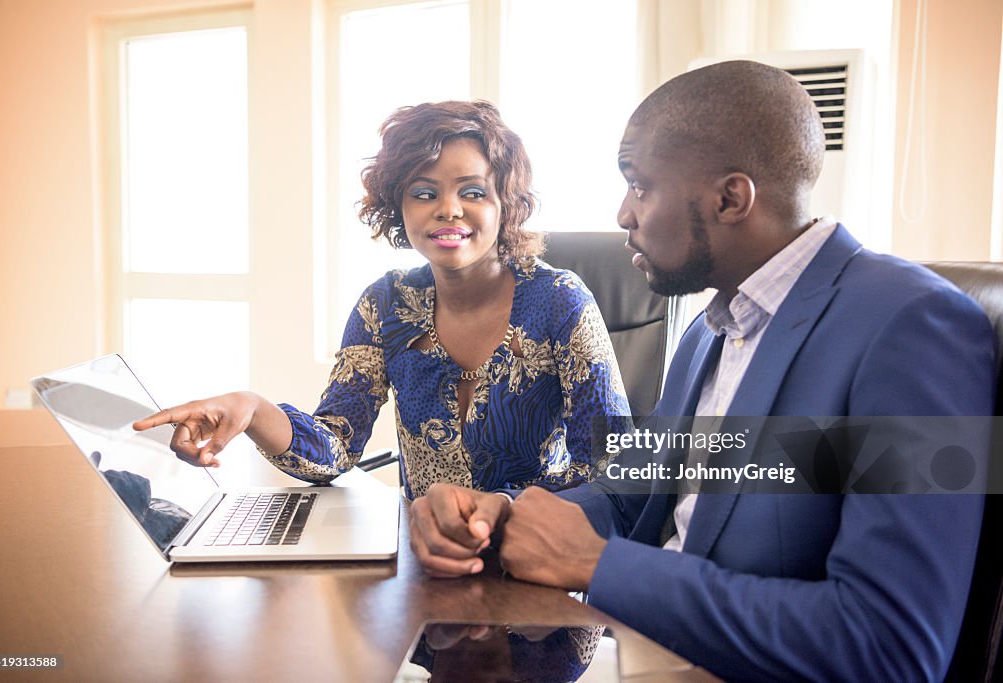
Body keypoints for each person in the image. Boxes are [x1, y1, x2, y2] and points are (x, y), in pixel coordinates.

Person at [409, 62, 996, 681]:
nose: (622, 215)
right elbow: (630, 492)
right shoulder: (708, 330)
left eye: (638, 186)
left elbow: (891, 650)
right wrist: (498, 518)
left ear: (730, 198)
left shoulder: (916, 325)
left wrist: (600, 566)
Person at [134, 100, 630, 503]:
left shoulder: (560, 300)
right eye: (423, 192)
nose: (449, 209)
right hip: (424, 570)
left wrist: (502, 507)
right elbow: (333, 448)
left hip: (538, 566)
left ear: (506, 204)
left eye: (473, 191)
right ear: (398, 207)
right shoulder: (386, 304)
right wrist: (252, 409)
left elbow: (611, 465)